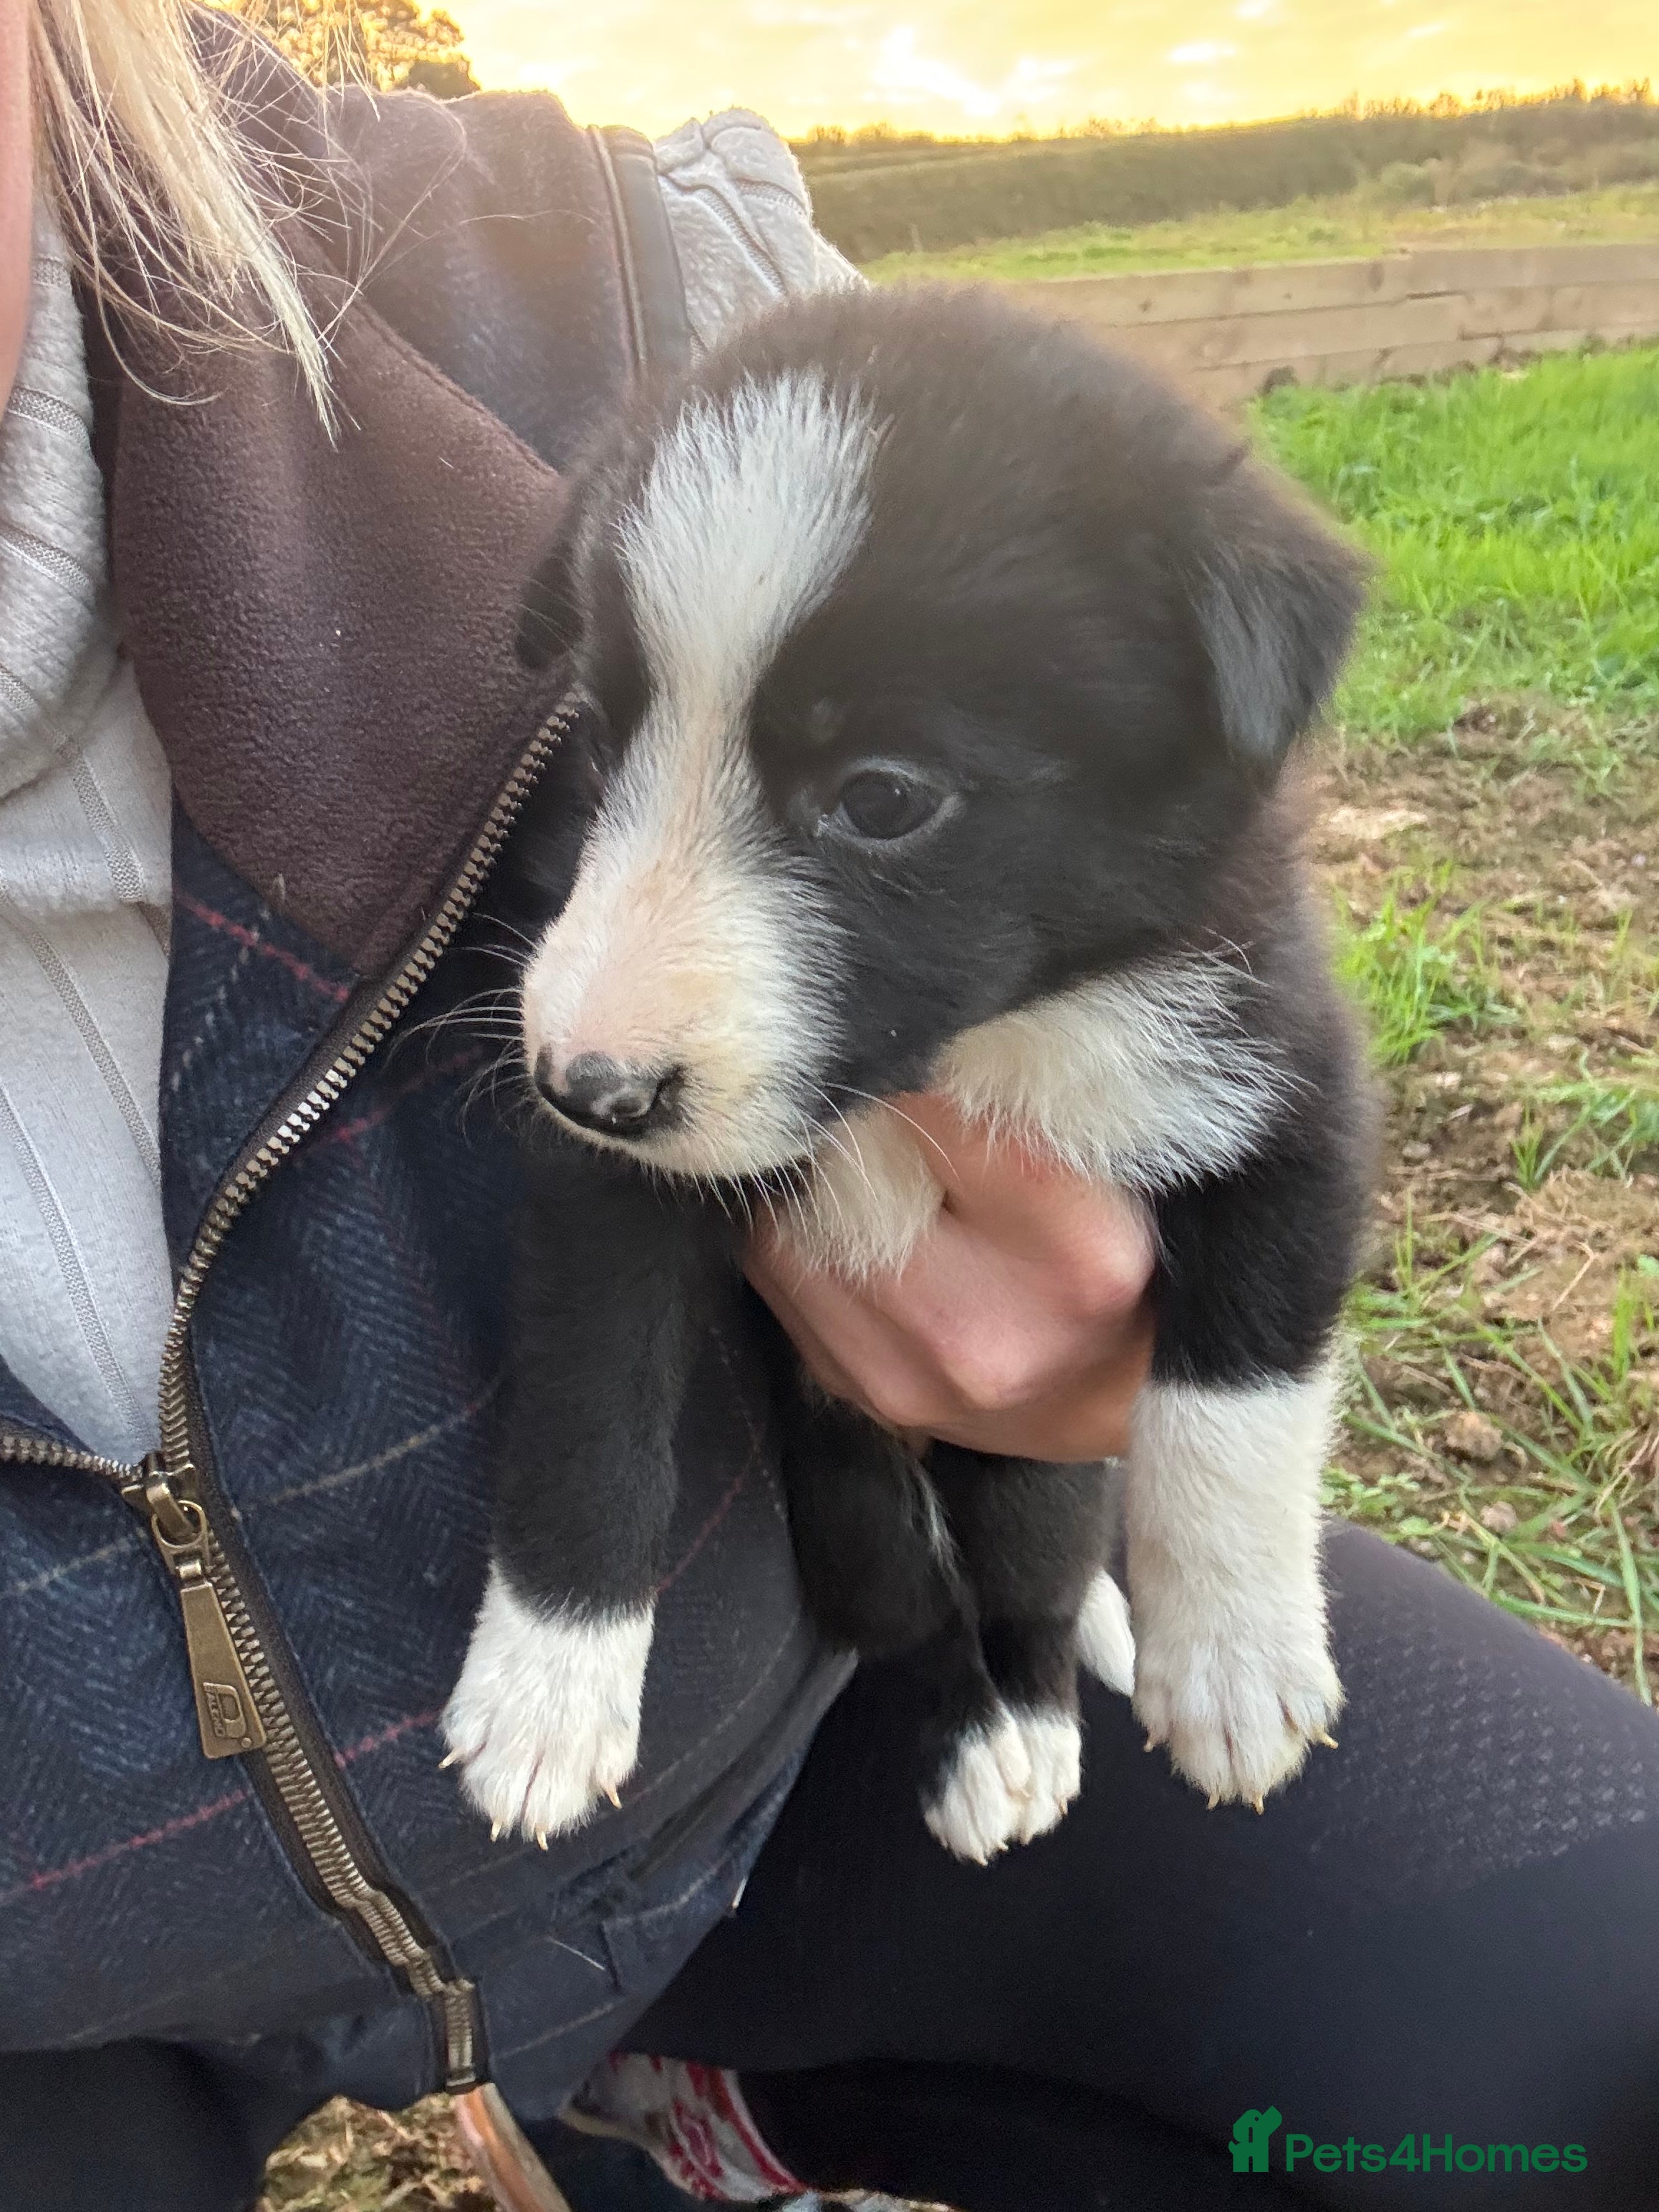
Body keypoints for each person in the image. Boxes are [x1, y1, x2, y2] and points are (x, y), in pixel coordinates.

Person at [0, 7, 1655, 2209]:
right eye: (610, 754)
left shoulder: (615, 291)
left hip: (779, 1772)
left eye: (868, 797)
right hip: (70, 2004)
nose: (592, 1008)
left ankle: (673, 2109)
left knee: (1586, 2057)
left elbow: (1268, 1158)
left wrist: (1184, 1512)